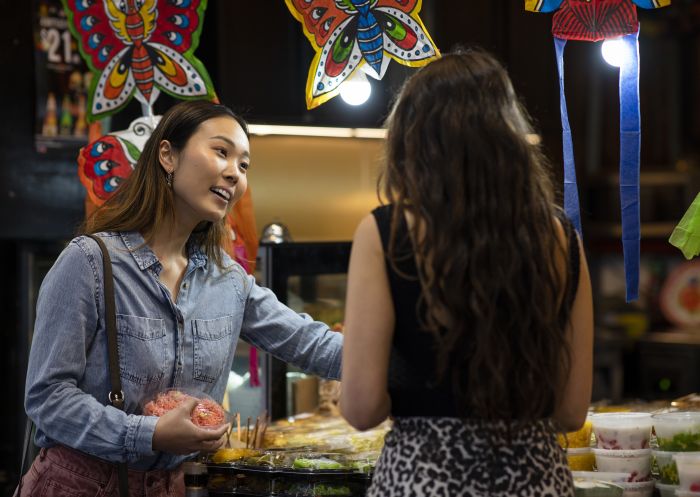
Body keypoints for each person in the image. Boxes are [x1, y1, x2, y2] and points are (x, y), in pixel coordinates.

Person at [17, 100, 343, 496]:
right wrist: (148, 433)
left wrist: (408, 357)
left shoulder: (228, 281)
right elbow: (47, 399)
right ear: (168, 155)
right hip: (79, 484)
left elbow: (308, 342)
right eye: (221, 152)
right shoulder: (90, 262)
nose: (234, 174)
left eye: (244, 165)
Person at [340, 48, 593, 497]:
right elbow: (572, 413)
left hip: (422, 479)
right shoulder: (561, 237)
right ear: (509, 137)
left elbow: (362, 409)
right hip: (536, 479)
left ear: (412, 141)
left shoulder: (385, 232)